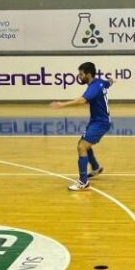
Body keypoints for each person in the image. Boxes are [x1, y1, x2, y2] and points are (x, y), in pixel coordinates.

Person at [49, 62, 114, 191]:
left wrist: (62, 105)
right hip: (98, 120)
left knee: (81, 146)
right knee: (84, 144)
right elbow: (108, 83)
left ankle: (83, 182)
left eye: (81, 74)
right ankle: (96, 168)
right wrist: (111, 81)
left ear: (88, 74)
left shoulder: (94, 87)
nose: (79, 76)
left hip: (100, 122)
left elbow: (82, 100)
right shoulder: (100, 82)